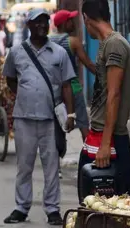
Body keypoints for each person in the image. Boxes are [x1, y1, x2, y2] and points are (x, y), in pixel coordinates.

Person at [2, 8, 76, 225]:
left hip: (50, 120)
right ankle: (21, 208)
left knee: (52, 166)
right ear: (29, 25)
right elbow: (10, 79)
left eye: (45, 21)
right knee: (24, 166)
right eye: (37, 22)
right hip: (24, 118)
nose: (42, 25)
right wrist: (26, 95)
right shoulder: (16, 52)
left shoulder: (59, 53)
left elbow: (67, 85)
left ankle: (52, 209)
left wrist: (70, 114)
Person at [79, 0, 130, 203]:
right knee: (92, 204)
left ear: (87, 19)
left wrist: (104, 144)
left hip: (110, 138)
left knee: (114, 204)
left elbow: (114, 94)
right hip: (101, 134)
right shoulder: (106, 43)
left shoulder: (115, 44)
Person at [50, 9, 96, 142]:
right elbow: (88, 64)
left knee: (56, 126)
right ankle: (89, 155)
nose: (73, 22)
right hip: (73, 88)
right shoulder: (73, 41)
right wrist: (104, 76)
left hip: (55, 90)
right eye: (70, 20)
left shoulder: (49, 42)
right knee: (83, 126)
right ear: (64, 23)